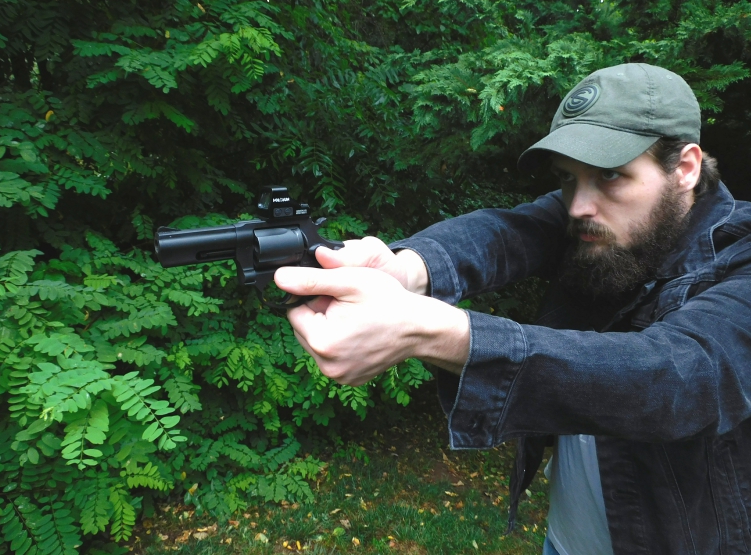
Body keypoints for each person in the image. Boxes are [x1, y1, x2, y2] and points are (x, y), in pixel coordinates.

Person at [274, 63, 751, 555]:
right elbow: (504, 234)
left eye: (611, 175)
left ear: (686, 168)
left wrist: (435, 332)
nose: (577, 206)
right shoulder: (594, 213)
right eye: (567, 179)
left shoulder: (743, 252)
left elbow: (681, 377)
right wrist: (401, 268)